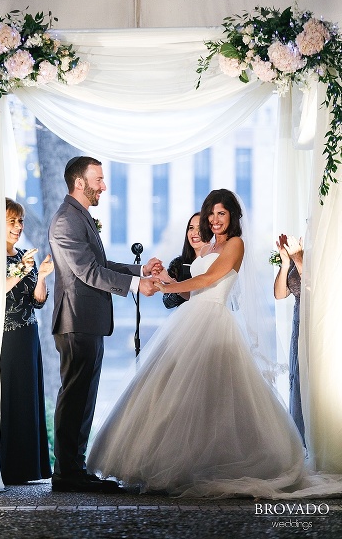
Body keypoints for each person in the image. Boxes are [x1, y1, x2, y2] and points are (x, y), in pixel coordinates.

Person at [86, 189, 342, 498]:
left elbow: (209, 280)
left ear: (232, 217)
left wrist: (174, 283)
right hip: (191, 318)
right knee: (172, 392)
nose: (215, 219)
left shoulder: (236, 244)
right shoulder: (207, 246)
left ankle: (219, 463)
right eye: (211, 213)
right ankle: (170, 464)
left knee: (216, 395)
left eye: (221, 213)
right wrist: (161, 280)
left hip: (214, 320)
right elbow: (191, 290)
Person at [48, 156, 161, 493]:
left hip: (86, 320)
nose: (104, 186)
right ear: (79, 183)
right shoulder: (67, 220)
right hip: (76, 320)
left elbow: (99, 263)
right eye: (98, 179)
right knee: (75, 397)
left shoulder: (78, 217)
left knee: (82, 396)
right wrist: (134, 286)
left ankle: (73, 469)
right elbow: (87, 272)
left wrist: (139, 271)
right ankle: (67, 473)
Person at [0, 198, 54, 485]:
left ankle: (28, 467)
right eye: (12, 221)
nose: (18, 227)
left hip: (28, 335)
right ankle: (5, 466)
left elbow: (38, 301)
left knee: (28, 397)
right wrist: (21, 269)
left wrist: (42, 277)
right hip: (3, 338)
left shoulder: (25, 255)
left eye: (20, 221)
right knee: (7, 396)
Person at [274, 233, 305, 444]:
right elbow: (279, 293)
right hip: (298, 319)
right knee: (297, 376)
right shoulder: (297, 254)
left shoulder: (317, 255)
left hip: (312, 318)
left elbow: (314, 289)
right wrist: (286, 263)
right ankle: (300, 438)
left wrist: (298, 259)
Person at [162, 212, 205, 309]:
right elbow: (167, 303)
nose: (194, 233)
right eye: (191, 228)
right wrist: (171, 283)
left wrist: (175, 285)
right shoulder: (178, 264)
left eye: (200, 228)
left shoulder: (217, 261)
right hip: (184, 318)